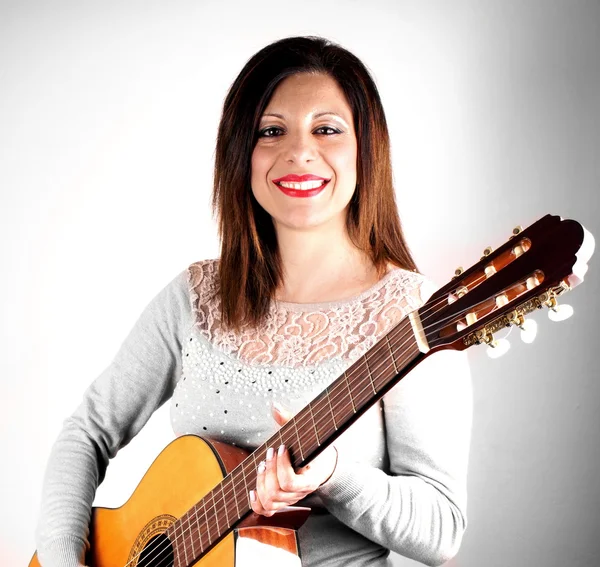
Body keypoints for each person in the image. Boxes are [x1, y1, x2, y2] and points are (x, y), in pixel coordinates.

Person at [35, 35, 472, 567]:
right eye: (271, 131)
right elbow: (87, 431)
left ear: (366, 149)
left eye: (327, 129)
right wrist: (61, 558)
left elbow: (442, 529)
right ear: (241, 153)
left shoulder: (417, 315)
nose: (299, 152)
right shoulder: (196, 297)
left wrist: (335, 477)